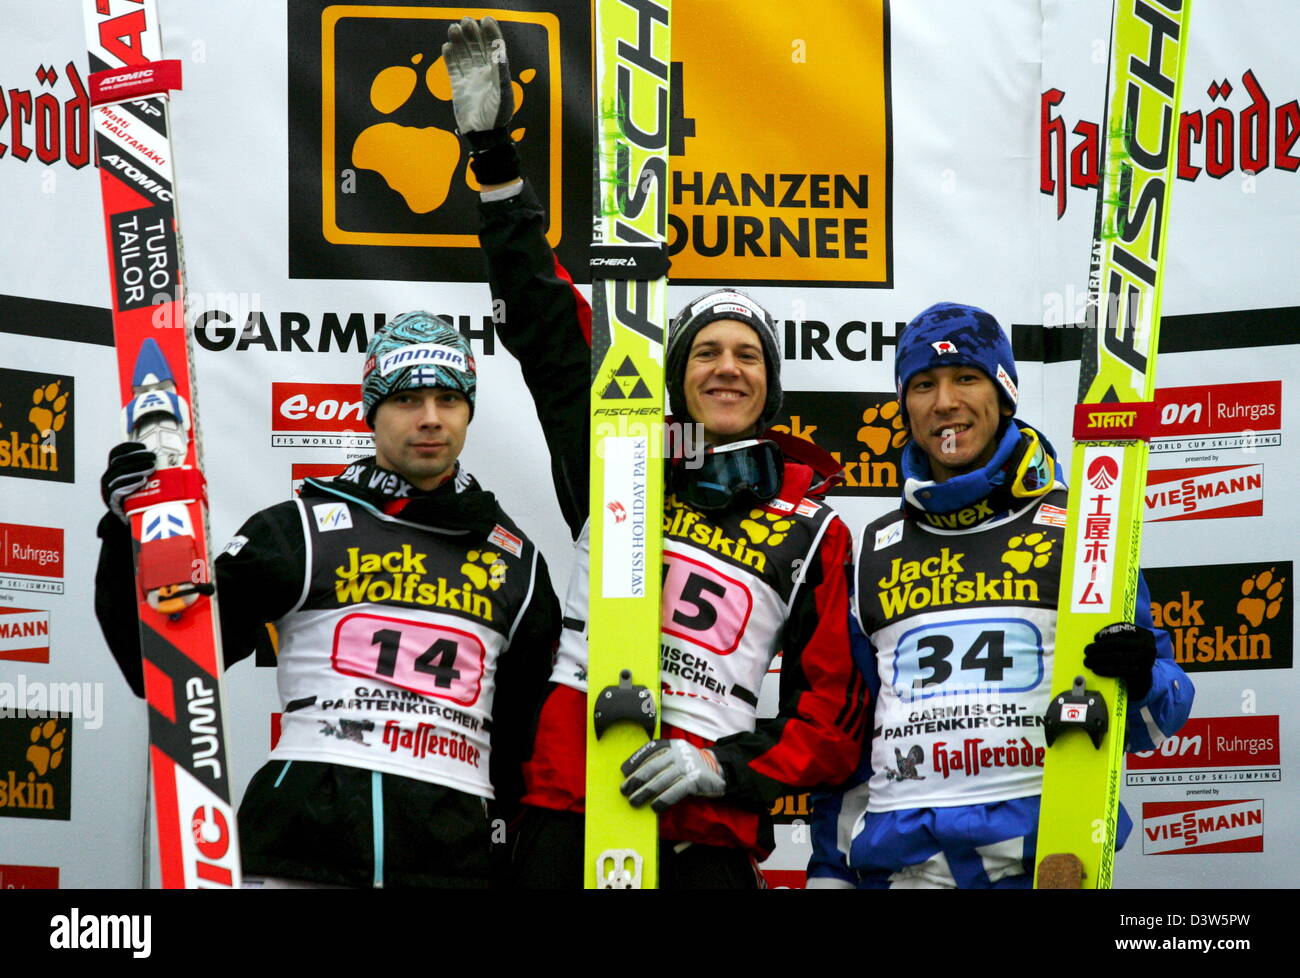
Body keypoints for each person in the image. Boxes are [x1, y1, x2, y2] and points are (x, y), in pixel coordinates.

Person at [442, 17, 866, 888]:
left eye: (747, 355)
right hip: (567, 806)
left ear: (770, 389)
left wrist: (727, 770)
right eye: (705, 352)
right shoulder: (618, 459)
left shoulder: (813, 531)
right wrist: (490, 158)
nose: (726, 367)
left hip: (705, 835)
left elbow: (834, 716)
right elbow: (546, 320)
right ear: (673, 382)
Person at [95, 311, 560, 888]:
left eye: (449, 399)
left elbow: (523, 743)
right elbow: (162, 668)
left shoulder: (517, 562)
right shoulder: (301, 532)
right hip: (299, 852)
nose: (431, 419)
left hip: (449, 863)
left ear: (469, 411)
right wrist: (124, 533)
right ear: (371, 412)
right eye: (407, 400)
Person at [806, 301, 1195, 888]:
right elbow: (849, 741)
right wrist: (830, 874)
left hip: (1043, 865)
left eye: (967, 378)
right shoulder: (873, 548)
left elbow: (1153, 726)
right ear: (905, 405)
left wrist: (1140, 679)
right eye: (923, 385)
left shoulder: (1079, 529)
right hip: (905, 871)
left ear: (1005, 393)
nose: (944, 403)